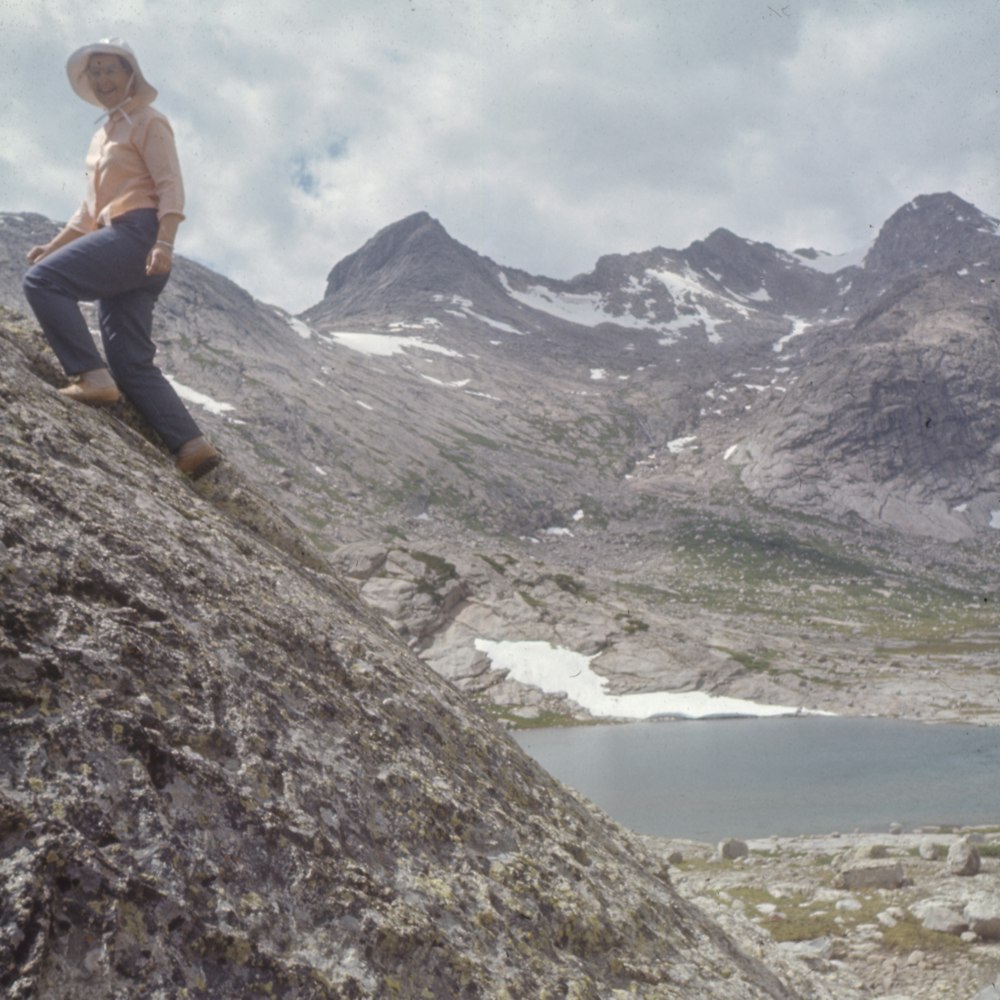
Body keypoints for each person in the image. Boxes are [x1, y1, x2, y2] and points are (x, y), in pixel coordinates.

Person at [23, 38, 220, 479]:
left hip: (139, 237)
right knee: (130, 361)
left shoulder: (150, 121)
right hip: (124, 241)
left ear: (131, 74)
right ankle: (192, 445)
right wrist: (51, 248)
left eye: (111, 69)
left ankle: (89, 376)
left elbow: (170, 184)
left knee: (42, 283)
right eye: (95, 72)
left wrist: (164, 242)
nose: (103, 79)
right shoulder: (102, 135)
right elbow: (89, 212)